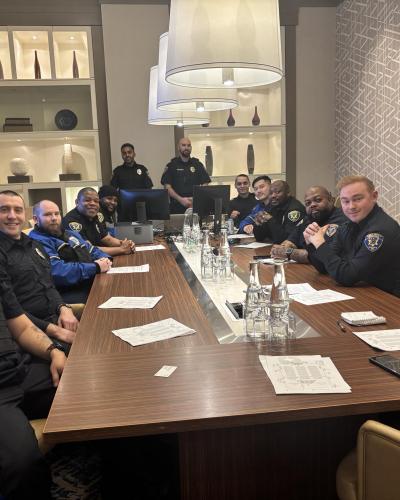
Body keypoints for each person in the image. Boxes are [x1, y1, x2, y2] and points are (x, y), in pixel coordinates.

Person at [0, 276, 66, 499]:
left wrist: (54, 350)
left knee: (94, 393)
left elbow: (21, 327)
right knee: (21, 465)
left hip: (18, 369)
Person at [0, 190, 79, 347]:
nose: (12, 216)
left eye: (18, 210)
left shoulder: (34, 244)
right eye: (4, 210)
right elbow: (11, 311)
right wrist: (56, 331)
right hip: (30, 333)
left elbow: (49, 285)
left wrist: (63, 307)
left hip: (56, 318)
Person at [304, 175, 400, 296]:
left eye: (358, 199)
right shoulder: (348, 226)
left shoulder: (380, 231)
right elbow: (324, 267)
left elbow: (347, 276)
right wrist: (311, 242)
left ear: (374, 196)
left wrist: (320, 243)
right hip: (364, 292)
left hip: (389, 300)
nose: (351, 206)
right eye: (345, 201)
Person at [30, 200, 112, 304]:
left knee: (115, 287)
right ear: (36, 219)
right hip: (64, 291)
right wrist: (95, 267)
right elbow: (57, 272)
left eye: (57, 214)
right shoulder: (37, 240)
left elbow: (91, 249)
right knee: (104, 297)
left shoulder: (69, 233)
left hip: (87, 280)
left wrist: (106, 259)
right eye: (47, 215)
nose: (54, 218)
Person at [271, 186, 347, 263]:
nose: (312, 205)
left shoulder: (342, 219)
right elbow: (291, 241)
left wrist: (289, 253)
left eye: (318, 200)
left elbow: (323, 255)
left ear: (331, 200)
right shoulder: (307, 219)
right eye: (308, 203)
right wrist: (281, 249)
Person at [62, 187, 135, 257]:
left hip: (98, 261)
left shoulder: (94, 216)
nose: (93, 203)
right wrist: (121, 249)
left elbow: (106, 239)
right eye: (87, 200)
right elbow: (88, 250)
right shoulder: (71, 221)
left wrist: (126, 244)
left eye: (96, 201)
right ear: (77, 202)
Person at [246, 180, 306, 244]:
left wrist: (270, 220)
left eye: (277, 192)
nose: (273, 196)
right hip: (272, 247)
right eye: (271, 193)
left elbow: (287, 240)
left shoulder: (294, 210)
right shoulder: (272, 206)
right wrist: (258, 224)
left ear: (288, 193)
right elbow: (260, 237)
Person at [161, 137, 211, 214]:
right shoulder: (172, 165)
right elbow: (167, 187)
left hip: (195, 206)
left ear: (191, 148)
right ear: (178, 147)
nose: (186, 148)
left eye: (188, 145)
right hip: (176, 206)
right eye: (183, 145)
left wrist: (196, 198)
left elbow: (205, 183)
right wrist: (180, 199)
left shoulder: (197, 164)